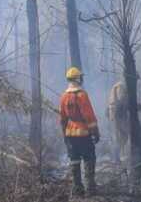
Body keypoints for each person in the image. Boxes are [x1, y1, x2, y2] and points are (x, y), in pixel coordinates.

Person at [59, 67, 99, 196]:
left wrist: (64, 134)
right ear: (77, 79)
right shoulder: (82, 95)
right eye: (80, 77)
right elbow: (89, 116)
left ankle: (77, 189)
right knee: (89, 158)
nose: (82, 79)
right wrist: (95, 131)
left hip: (70, 133)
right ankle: (90, 189)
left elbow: (62, 118)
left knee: (74, 160)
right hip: (83, 133)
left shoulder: (64, 96)